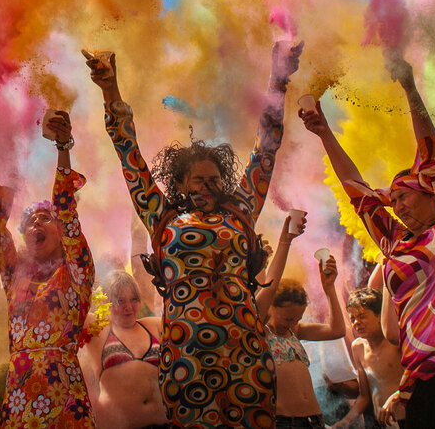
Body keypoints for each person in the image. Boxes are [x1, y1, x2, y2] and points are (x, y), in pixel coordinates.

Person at [85, 41, 299, 429]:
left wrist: (278, 80)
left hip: (245, 349)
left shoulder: (241, 210)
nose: (208, 187)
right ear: (180, 184)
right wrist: (110, 91)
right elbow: (128, 154)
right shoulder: (162, 217)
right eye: (198, 180)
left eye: (215, 179)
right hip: (187, 355)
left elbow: (266, 148)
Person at [300, 52, 435, 429]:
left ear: (431, 195)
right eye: (392, 201)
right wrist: (323, 131)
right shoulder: (395, 244)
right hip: (419, 380)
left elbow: (432, 157)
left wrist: (410, 88)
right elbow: (356, 190)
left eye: (404, 196)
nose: (396, 206)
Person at [0, 108, 95, 428]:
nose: (36, 224)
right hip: (20, 400)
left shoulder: (75, 271)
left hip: (64, 399)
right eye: (29, 222)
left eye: (44, 219)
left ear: (60, 232)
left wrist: (63, 148)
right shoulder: (14, 274)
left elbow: (66, 210)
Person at [256, 249, 347, 429]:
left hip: (313, 420)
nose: (292, 324)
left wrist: (329, 288)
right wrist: (261, 263)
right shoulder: (260, 331)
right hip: (283, 422)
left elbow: (337, 330)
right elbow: (266, 290)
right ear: (271, 308)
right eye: (288, 319)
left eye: (297, 319)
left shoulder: (295, 332)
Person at [81, 270, 167, 429]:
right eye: (120, 301)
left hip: (162, 423)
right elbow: (70, 300)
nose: (128, 307)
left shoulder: (154, 325)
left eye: (134, 300)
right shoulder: (98, 329)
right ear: (106, 302)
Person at [334, 288, 402, 429]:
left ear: (379, 316)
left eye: (362, 316)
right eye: (352, 318)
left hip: (404, 419)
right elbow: (364, 397)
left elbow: (416, 378)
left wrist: (396, 397)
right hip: (379, 424)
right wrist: (344, 423)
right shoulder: (358, 347)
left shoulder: (396, 341)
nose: (356, 323)